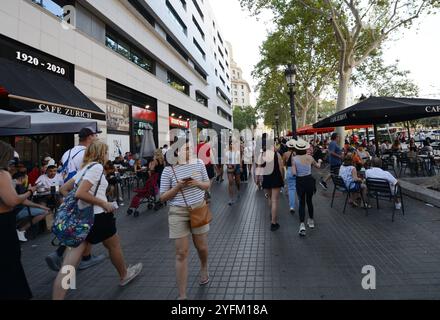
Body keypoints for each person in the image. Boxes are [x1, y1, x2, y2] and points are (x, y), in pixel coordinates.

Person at [52, 141, 143, 300]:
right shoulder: (96, 167)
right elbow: (81, 193)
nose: (108, 155)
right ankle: (124, 275)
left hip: (81, 219)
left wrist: (78, 204)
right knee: (114, 245)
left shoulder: (83, 169)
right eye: (106, 151)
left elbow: (63, 189)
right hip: (99, 216)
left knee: (68, 265)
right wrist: (103, 203)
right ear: (101, 153)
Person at [46, 127, 105, 272]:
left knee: (78, 227)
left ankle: (73, 256)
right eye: (95, 136)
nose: (97, 138)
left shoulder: (68, 152)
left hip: (71, 193)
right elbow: (87, 176)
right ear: (90, 137)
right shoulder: (87, 153)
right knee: (85, 227)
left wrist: (71, 200)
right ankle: (69, 261)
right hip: (83, 194)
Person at [159, 140, 211, 300]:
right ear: (177, 152)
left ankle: (204, 266)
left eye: (191, 148)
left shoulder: (199, 163)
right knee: (181, 253)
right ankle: (182, 295)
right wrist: (177, 187)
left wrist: (197, 183)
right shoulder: (168, 170)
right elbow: (162, 197)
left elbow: (207, 184)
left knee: (201, 247)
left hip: (198, 209)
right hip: (177, 213)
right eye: (187, 149)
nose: (190, 151)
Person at [0, 141, 37, 300]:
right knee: (9, 261)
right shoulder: (2, 174)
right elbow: (13, 201)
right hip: (3, 221)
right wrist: (29, 191)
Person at [290, 139, 322, 237]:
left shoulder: (294, 159)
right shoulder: (310, 157)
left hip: (300, 181)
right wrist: (320, 161)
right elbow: (318, 166)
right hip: (309, 180)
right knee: (309, 201)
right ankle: (311, 220)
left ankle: (302, 225)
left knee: (301, 202)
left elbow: (294, 173)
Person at [13, 172, 51, 242]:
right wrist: (41, 207)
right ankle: (21, 230)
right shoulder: (18, 186)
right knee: (45, 212)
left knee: (40, 207)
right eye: (26, 178)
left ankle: (20, 228)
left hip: (16, 210)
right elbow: (25, 201)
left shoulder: (12, 185)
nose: (27, 180)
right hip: (17, 211)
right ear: (21, 179)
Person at [260, 139, 285, 231]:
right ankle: (273, 223)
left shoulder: (262, 155)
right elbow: (281, 168)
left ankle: (272, 213)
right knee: (275, 200)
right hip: (276, 178)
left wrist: (260, 179)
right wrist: (282, 178)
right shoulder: (276, 155)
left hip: (267, 179)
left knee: (270, 198)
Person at [283, 140, 297, 214]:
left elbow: (284, 164)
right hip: (297, 171)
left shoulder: (285, 154)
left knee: (291, 189)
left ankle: (292, 206)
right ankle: (301, 204)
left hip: (289, 171)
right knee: (298, 189)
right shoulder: (297, 153)